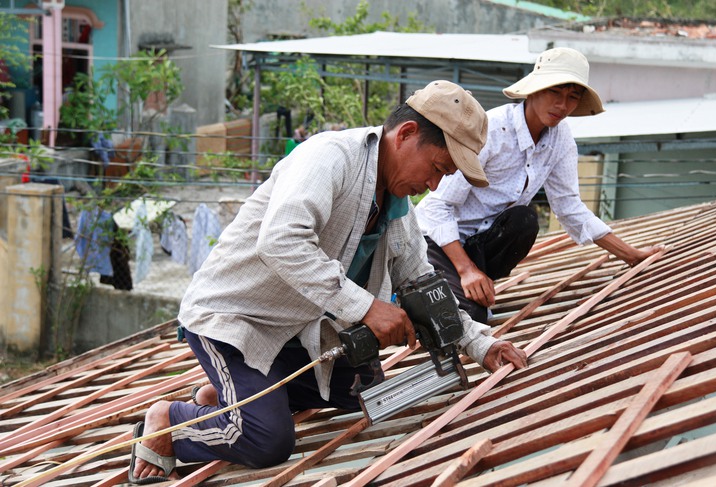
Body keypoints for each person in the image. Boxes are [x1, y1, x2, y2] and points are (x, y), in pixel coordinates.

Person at [130, 80, 528, 483]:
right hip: (238, 320)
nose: (435, 185)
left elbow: (423, 283)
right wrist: (368, 307)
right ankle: (171, 422)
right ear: (406, 135)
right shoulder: (329, 157)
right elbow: (281, 240)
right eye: (438, 168)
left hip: (299, 329)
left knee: (363, 393)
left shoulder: (398, 210)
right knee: (268, 441)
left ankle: (234, 399)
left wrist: (482, 343)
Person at [414, 48, 665, 324]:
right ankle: (441, 285)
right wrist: (466, 269)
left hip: (481, 243)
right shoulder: (493, 130)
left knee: (525, 220)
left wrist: (631, 255)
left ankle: (471, 286)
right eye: (555, 92)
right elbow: (438, 206)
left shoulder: (560, 140)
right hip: (438, 240)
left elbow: (569, 207)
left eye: (572, 97)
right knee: (466, 321)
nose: (562, 105)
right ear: (534, 90)